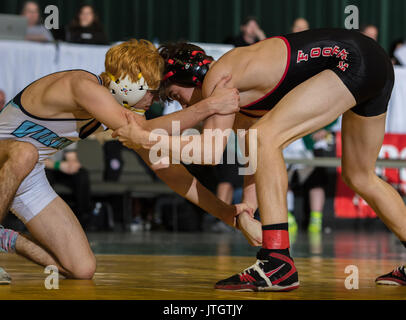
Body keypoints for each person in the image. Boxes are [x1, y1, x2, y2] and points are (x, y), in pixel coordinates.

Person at [114, 28, 406, 291]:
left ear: (192, 77)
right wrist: (248, 208)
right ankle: (278, 260)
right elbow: (253, 157)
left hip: (349, 59)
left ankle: (277, 262)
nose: (185, 105)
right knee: (358, 175)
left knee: (265, 136)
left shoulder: (220, 77)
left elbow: (209, 152)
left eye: (178, 96)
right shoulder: (238, 96)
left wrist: (145, 138)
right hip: (371, 62)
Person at [0, 39, 251, 282]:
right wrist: (207, 107)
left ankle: (5, 239)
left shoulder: (120, 111)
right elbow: (149, 131)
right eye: (152, 92)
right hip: (10, 157)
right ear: (131, 83)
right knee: (25, 152)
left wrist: (227, 214)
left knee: (82, 268)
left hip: (26, 176)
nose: (152, 101)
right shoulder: (83, 86)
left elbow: (167, 171)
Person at [44, 143, 92, 227]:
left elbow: (71, 156)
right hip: (43, 167)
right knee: (45, 176)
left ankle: (82, 217)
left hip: (61, 168)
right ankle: (45, 219)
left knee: (82, 174)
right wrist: (58, 165)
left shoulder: (68, 132)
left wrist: (73, 164)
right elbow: (36, 160)